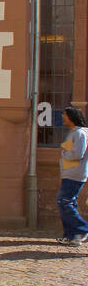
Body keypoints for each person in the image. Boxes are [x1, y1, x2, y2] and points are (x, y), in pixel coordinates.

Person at [56, 105, 88, 248]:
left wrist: (63, 154)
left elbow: (77, 154)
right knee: (68, 202)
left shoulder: (79, 133)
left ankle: (82, 229)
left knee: (64, 201)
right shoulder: (73, 133)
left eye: (65, 115)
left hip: (75, 174)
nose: (63, 117)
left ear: (72, 117)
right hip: (70, 173)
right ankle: (71, 235)